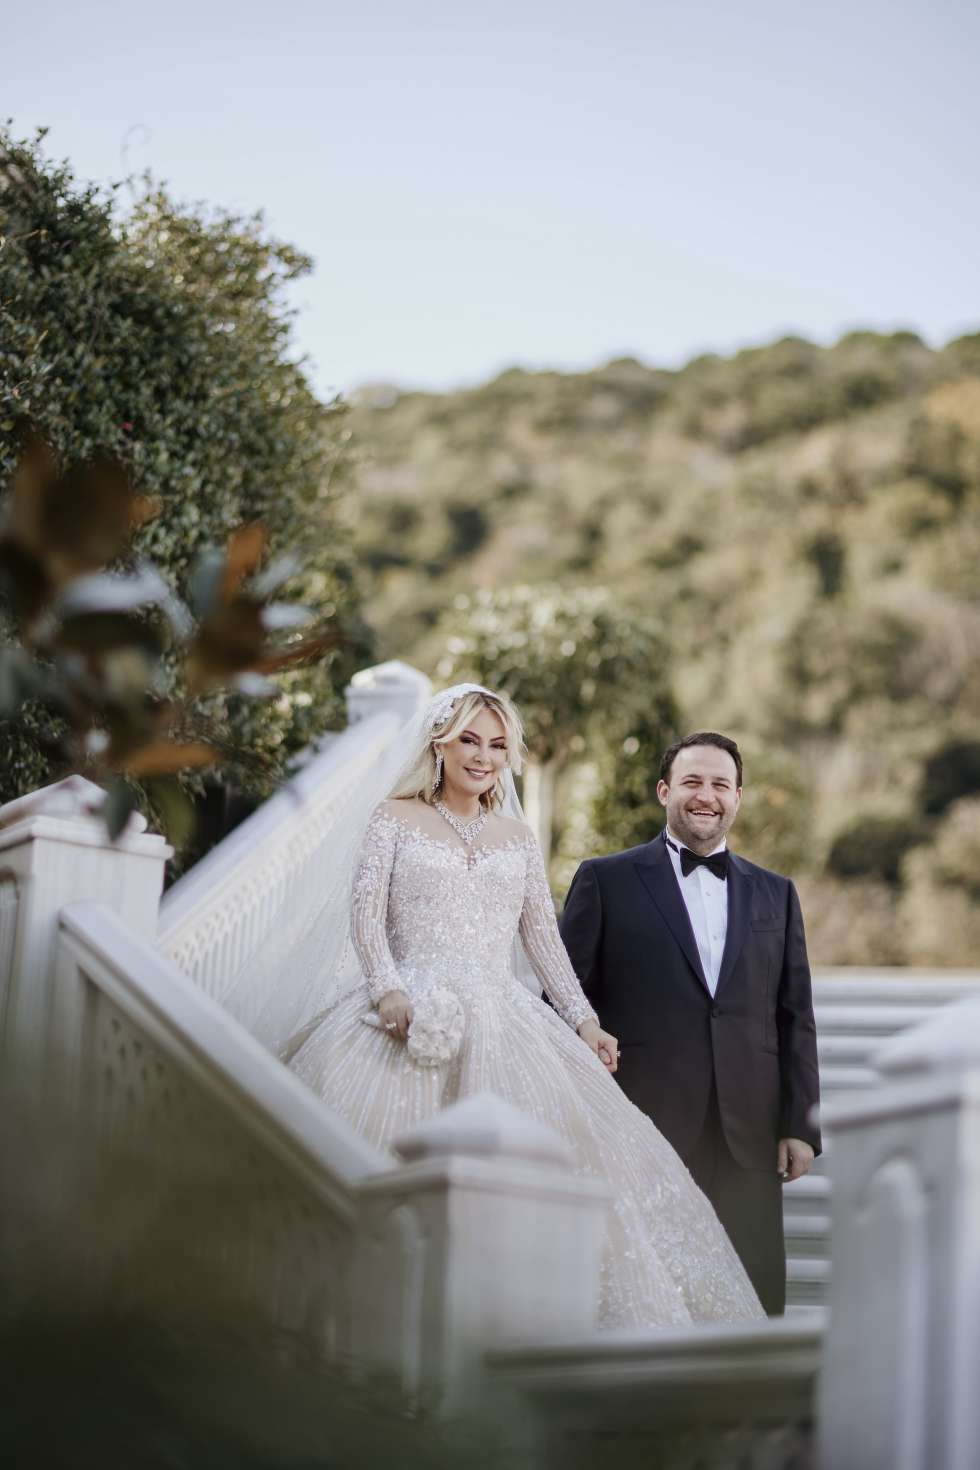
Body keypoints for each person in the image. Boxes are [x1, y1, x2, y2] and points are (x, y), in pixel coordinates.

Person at [290, 687, 763, 1330]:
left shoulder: (516, 837)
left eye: (496, 743)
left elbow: (541, 935)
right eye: (469, 740)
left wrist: (584, 1020)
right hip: (406, 1012)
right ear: (439, 744)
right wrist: (387, 989)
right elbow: (366, 918)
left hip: (505, 1016)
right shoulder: (393, 818)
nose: (483, 756)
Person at [559, 732, 821, 1315]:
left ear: (739, 798)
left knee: (751, 1298)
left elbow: (794, 1014)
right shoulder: (605, 880)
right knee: (650, 1293)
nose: (707, 796)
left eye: (721, 784)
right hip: (642, 1127)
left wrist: (800, 1124)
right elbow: (566, 999)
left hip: (748, 1133)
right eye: (693, 782)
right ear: (664, 791)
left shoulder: (777, 894)